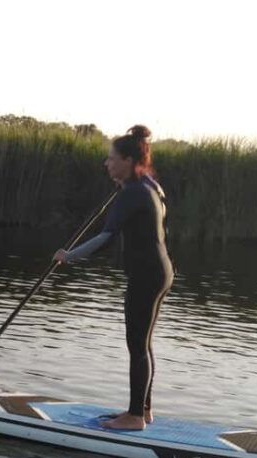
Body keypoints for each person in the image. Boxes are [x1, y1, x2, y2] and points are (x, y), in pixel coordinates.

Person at [53, 125, 173, 430]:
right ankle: (143, 411)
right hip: (161, 272)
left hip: (146, 275)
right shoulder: (149, 186)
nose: (106, 164)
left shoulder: (132, 193)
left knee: (137, 344)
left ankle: (134, 417)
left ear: (129, 160)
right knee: (143, 344)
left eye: (112, 158)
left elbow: (105, 239)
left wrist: (69, 255)